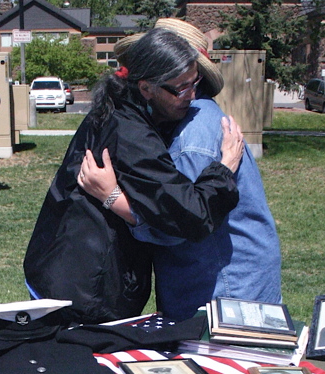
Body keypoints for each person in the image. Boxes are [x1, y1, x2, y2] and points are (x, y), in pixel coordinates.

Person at [23, 28, 244, 324]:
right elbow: (192, 214)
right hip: (86, 292)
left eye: (195, 83)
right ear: (146, 88)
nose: (192, 96)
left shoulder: (118, 107)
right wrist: (225, 167)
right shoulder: (131, 134)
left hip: (63, 270)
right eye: (180, 88)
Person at [79, 18, 281, 322]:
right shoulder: (186, 122)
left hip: (223, 291)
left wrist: (114, 198)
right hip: (225, 283)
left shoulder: (191, 138)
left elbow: (179, 225)